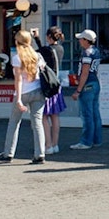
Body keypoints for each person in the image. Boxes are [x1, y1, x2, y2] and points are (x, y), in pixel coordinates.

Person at [0, 30, 46, 164]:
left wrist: (18, 99)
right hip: (38, 91)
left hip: (23, 93)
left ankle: (8, 153)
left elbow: (19, 80)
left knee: (14, 123)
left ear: (17, 41)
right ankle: (40, 154)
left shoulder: (17, 58)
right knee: (37, 124)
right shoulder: (37, 55)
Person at [34, 26, 66, 155]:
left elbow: (39, 51)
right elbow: (43, 49)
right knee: (55, 116)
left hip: (47, 86)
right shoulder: (60, 49)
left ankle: (48, 145)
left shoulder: (47, 50)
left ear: (48, 37)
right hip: (57, 84)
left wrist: (36, 38)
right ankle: (55, 144)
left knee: (44, 116)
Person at [70, 29, 102, 150]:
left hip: (87, 85)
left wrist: (78, 90)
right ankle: (97, 139)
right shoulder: (96, 51)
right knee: (95, 114)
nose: (79, 41)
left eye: (81, 39)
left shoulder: (87, 53)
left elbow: (84, 72)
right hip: (95, 83)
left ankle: (86, 141)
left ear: (86, 40)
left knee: (87, 115)